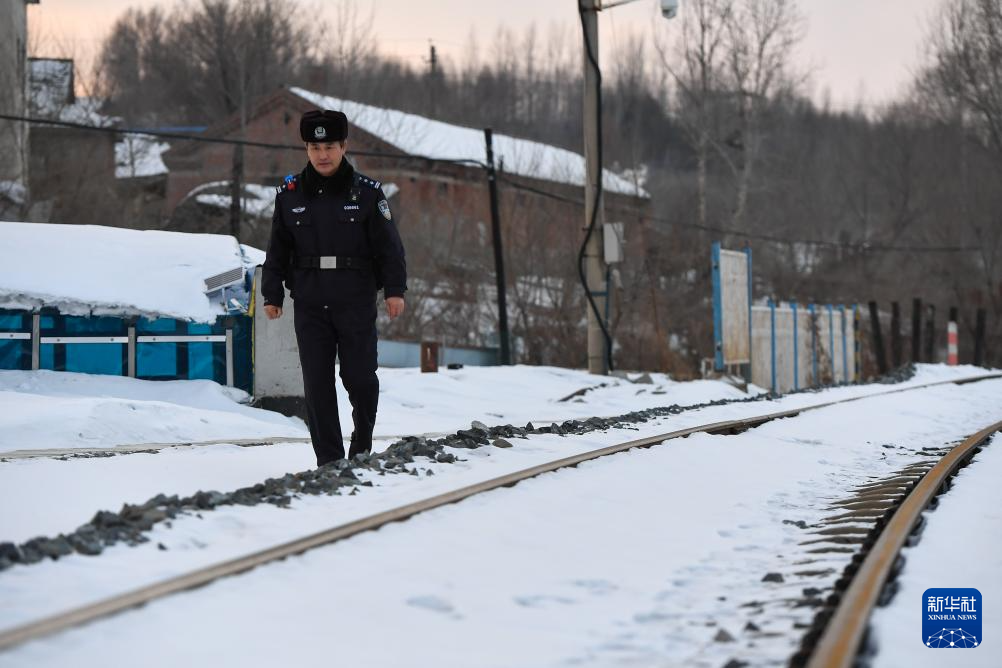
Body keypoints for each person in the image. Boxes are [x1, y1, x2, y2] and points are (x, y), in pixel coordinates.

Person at [261, 109, 407, 467]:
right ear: (306, 149)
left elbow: (390, 248)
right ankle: (328, 460)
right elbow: (277, 248)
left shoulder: (369, 194)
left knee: (359, 377)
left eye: (329, 146)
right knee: (317, 384)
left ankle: (361, 444)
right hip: (309, 302)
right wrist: (272, 293)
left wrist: (394, 290)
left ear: (344, 146)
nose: (322, 154)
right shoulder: (290, 195)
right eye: (314, 146)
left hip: (354, 300)